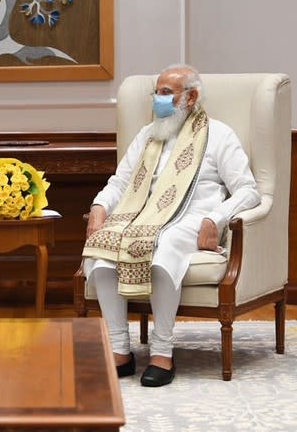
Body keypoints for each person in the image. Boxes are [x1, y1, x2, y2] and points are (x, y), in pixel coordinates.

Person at [82, 64, 261, 387]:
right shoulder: (147, 134)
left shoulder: (218, 134)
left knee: (163, 251)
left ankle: (162, 352)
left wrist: (215, 218)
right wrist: (99, 206)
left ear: (191, 97)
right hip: (138, 215)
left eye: (166, 93)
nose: (158, 100)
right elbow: (120, 182)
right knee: (103, 249)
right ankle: (121, 350)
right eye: (157, 92)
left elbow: (248, 190)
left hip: (191, 218)